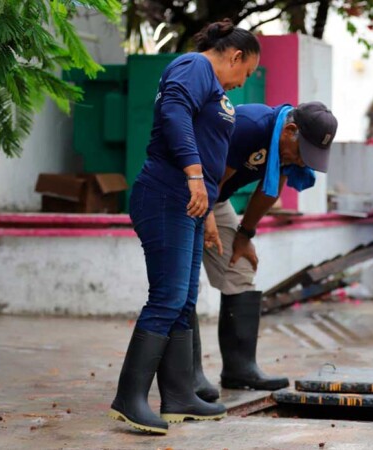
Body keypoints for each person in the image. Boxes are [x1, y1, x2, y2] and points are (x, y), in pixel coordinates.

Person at [108, 20, 260, 435]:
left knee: (184, 300)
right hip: (166, 194)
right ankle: (129, 398)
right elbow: (174, 112)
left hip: (190, 203)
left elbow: (208, 144)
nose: (242, 84)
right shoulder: (195, 66)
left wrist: (206, 205)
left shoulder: (210, 83)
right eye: (246, 73)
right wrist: (193, 174)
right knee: (168, 297)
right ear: (235, 56)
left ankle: (178, 396)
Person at [185, 102, 338, 401]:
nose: (302, 161)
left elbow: (270, 189)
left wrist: (245, 234)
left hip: (215, 199)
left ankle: (240, 369)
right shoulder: (249, 127)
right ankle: (188, 376)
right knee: (183, 281)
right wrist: (206, 217)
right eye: (302, 153)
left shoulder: (285, 147)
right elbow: (210, 176)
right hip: (189, 192)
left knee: (240, 269)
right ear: (290, 131)